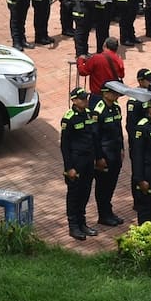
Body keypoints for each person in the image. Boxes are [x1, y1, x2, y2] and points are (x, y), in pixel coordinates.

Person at [60, 88, 99, 241]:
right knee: (74, 194)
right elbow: (64, 146)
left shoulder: (89, 114)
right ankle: (73, 225)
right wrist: (69, 167)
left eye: (86, 98)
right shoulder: (69, 118)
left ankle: (82, 223)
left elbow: (93, 138)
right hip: (76, 161)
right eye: (82, 99)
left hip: (89, 161)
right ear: (74, 100)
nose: (85, 100)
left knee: (85, 191)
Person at [92, 83, 126, 227]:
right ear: (105, 93)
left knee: (111, 184)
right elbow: (94, 136)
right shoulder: (98, 111)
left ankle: (108, 211)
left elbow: (118, 130)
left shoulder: (116, 108)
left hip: (115, 152)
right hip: (105, 154)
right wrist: (99, 158)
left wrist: (122, 148)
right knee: (103, 186)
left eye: (117, 94)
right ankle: (103, 215)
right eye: (113, 93)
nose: (115, 96)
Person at [77, 37, 124, 103]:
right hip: (112, 95)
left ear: (104, 45)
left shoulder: (96, 58)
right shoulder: (118, 59)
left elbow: (83, 72)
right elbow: (121, 75)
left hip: (97, 96)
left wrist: (80, 60)